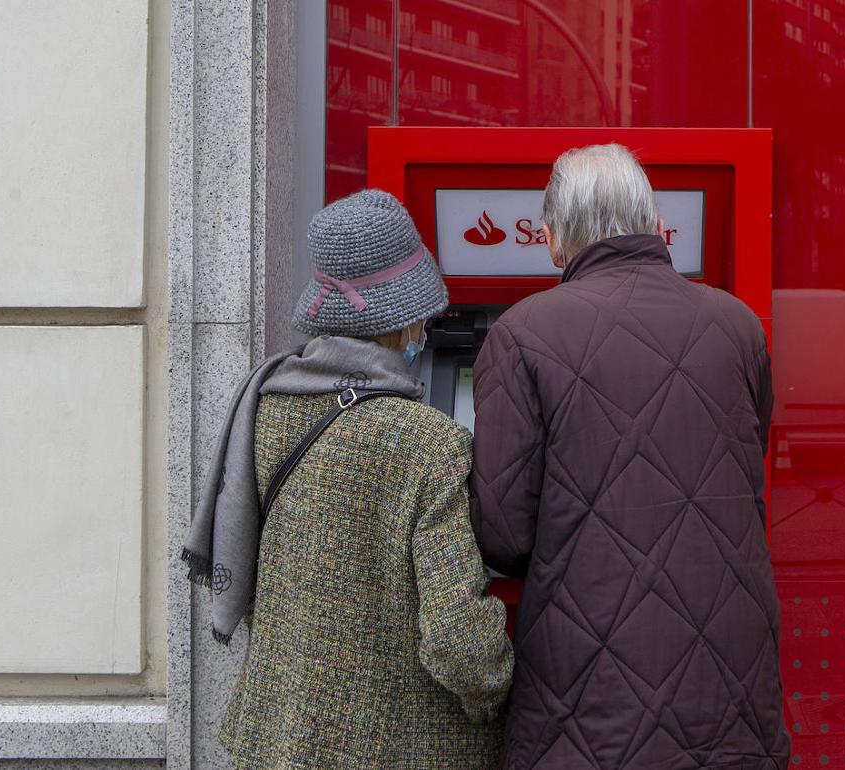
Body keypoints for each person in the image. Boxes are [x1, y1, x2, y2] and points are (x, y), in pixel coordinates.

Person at [470, 144, 790, 769]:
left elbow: (503, 534)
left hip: (591, 681)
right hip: (731, 668)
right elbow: (746, 462)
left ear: (553, 239)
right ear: (654, 223)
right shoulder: (738, 325)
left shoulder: (521, 334)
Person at [183, 189, 513, 769]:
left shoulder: (264, 407)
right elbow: (456, 641)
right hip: (394, 749)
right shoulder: (428, 443)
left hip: (279, 738)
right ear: (403, 320)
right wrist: (500, 691)